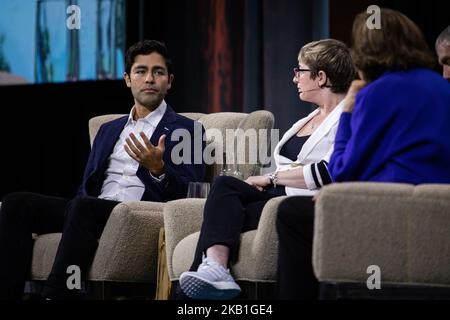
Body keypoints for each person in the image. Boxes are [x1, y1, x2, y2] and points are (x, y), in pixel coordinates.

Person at [0, 40, 205, 300]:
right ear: (128, 79)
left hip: (136, 213)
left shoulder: (188, 130)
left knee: (83, 206)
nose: (150, 79)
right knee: (16, 204)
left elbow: (191, 194)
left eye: (158, 72)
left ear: (170, 81)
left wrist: (159, 168)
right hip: (91, 209)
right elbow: (87, 185)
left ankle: (57, 295)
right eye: (141, 71)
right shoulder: (109, 128)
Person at [276, 8, 450, 300]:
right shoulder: (441, 88)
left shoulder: (376, 93)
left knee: (291, 214)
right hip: (438, 211)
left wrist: (348, 111)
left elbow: (342, 171)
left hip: (394, 209)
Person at [178, 39, 356, 300]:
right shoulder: (306, 119)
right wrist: (269, 180)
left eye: (300, 71)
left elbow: (328, 171)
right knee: (225, 187)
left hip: (301, 204)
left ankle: (198, 287)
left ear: (321, 77)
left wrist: (271, 177)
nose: (295, 78)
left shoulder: (347, 117)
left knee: (223, 211)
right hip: (277, 195)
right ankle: (214, 270)